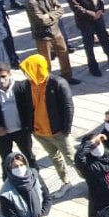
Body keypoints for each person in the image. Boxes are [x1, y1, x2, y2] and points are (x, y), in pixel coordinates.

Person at [19, 54, 75, 199]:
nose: (26, 74)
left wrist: (65, 130)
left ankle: (92, 181)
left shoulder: (57, 83)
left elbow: (68, 107)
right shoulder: (27, 85)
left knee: (73, 159)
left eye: (28, 70)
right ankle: (65, 182)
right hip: (39, 132)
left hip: (57, 132)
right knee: (55, 158)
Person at [25, 0, 75, 84]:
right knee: (45, 60)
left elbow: (61, 9)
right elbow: (41, 20)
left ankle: (67, 76)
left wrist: (49, 16)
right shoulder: (32, 2)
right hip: (43, 36)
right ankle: (46, 82)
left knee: (64, 53)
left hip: (56, 31)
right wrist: (53, 16)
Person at [0, 62, 37, 176]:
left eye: (3, 76)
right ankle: (9, 185)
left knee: (28, 156)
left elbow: (30, 108)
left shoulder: (21, 87)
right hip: (3, 134)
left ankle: (35, 179)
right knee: (6, 160)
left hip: (22, 131)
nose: (1, 80)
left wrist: (29, 127)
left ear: (9, 74)